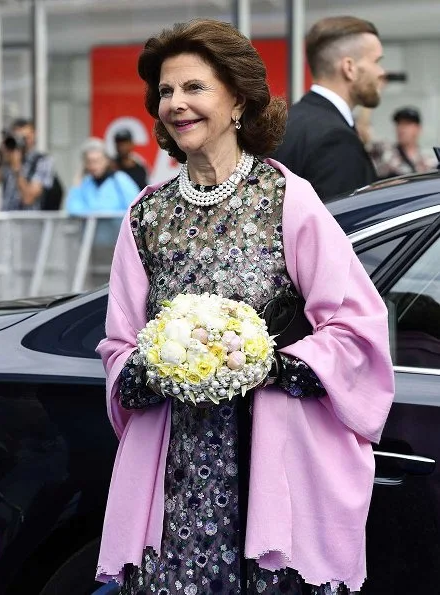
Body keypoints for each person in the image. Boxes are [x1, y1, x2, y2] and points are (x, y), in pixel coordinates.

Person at [95, 19, 394, 595]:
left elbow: (356, 326)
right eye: (165, 92)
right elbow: (117, 345)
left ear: (238, 98)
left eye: (194, 88)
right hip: (178, 472)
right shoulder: (146, 215)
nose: (175, 104)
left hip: (272, 461)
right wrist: (156, 365)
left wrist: (266, 365)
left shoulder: (287, 196)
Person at [273, 16, 385, 201]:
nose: (381, 72)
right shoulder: (335, 139)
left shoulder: (289, 121)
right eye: (376, 61)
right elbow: (346, 225)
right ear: (350, 68)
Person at [0, 118, 59, 211]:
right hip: (6, 222)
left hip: (28, 222)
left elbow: (28, 199)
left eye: (25, 138)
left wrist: (17, 169)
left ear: (34, 136)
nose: (22, 142)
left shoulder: (42, 161)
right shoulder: (8, 160)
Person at [360, 107, 437, 179]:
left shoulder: (429, 161)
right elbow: (363, 133)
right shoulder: (384, 150)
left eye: (407, 124)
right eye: (399, 124)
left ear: (418, 128)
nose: (402, 129)